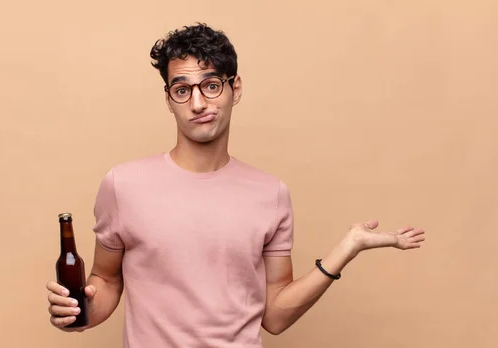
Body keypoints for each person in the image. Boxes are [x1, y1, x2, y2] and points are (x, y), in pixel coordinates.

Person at [46, 23, 426, 347]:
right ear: (169, 100)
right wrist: (78, 311)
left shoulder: (271, 194)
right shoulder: (122, 185)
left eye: (211, 85)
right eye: (182, 90)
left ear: (235, 89)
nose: (198, 103)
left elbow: (275, 316)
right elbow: (107, 279)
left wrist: (348, 247)